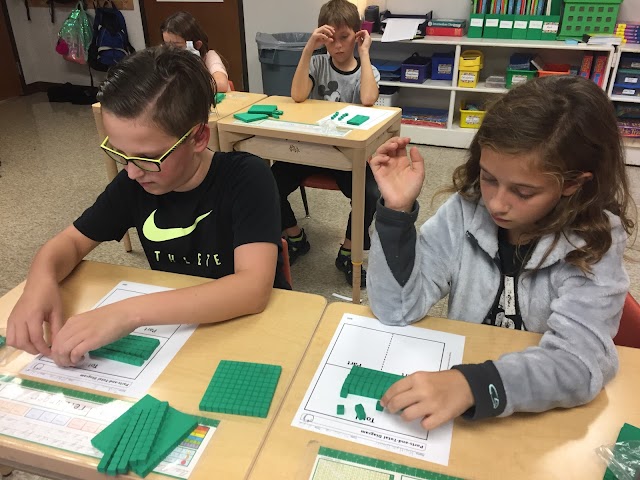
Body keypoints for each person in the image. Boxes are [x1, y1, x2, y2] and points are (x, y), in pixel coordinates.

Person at [367, 75, 634, 430]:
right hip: (466, 395)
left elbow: (580, 363)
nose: (496, 203)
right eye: (489, 178)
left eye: (523, 192)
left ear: (573, 183)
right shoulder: (464, 211)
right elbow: (397, 309)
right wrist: (396, 213)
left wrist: (475, 385)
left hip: (533, 415)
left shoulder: (594, 242)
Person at [6, 45, 287, 368]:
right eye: (120, 153)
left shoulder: (246, 177)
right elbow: (69, 242)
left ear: (198, 138)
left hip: (252, 330)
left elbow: (251, 289)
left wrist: (128, 313)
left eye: (148, 157)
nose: (131, 171)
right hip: (180, 332)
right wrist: (38, 283)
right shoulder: (136, 182)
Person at [270, 0, 380, 287]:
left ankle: (348, 251)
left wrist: (365, 53)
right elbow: (297, 95)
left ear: (357, 36)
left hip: (346, 157)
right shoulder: (317, 63)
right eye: (331, 39)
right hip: (309, 152)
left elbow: (368, 99)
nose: (338, 46)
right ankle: (295, 236)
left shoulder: (367, 70)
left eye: (345, 37)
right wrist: (309, 48)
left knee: (371, 193)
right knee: (266, 182)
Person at [160, 11, 230, 92]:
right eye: (166, 45)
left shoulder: (209, 57)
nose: (171, 51)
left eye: (178, 47)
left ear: (197, 45)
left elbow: (221, 84)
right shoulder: (167, 60)